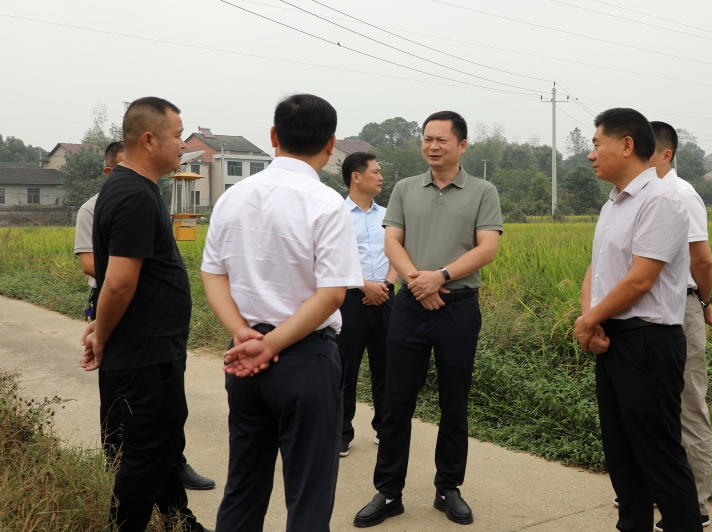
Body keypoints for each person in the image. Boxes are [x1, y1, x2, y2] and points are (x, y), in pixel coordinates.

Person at [201, 93, 363, 532]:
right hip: (305, 360)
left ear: (273, 136)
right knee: (308, 496)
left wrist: (243, 334)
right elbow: (331, 295)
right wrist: (269, 345)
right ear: (331, 144)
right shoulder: (327, 203)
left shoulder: (232, 198)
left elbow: (212, 274)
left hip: (245, 359)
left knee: (243, 485)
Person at [354, 111, 503, 528]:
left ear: (462, 145)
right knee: (396, 400)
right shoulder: (405, 188)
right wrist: (419, 282)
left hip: (458, 305)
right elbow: (392, 241)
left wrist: (441, 276)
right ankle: (388, 491)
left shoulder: (482, 191)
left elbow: (487, 247)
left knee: (454, 399)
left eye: (441, 139)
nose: (432, 146)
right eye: (427, 138)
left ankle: (448, 487)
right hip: (410, 307)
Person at [80, 97, 212, 532]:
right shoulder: (134, 194)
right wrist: (101, 335)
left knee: (162, 442)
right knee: (147, 453)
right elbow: (118, 283)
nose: (183, 145)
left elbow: (118, 276)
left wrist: (101, 325)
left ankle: (179, 521)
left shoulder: (131, 188)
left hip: (151, 347)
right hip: (146, 351)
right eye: (177, 136)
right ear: (150, 139)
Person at [573, 107, 701, 532]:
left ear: (627, 145)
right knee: (622, 456)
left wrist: (589, 321)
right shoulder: (614, 203)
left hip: (648, 342)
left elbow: (640, 279)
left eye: (597, 144)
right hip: (613, 338)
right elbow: (597, 268)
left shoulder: (661, 199)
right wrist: (590, 319)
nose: (591, 154)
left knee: (659, 456)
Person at [650, 121, 712, 531]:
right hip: (651, 308)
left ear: (666, 154)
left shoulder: (682, 194)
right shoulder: (642, 195)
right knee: (656, 403)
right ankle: (665, 491)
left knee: (689, 403)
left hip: (683, 305)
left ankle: (696, 503)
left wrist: (704, 304)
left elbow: (702, 261)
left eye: (645, 152)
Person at [338, 151, 397, 458]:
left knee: (387, 367)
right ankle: (341, 433)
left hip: (386, 297)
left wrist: (386, 285)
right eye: (376, 171)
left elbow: (399, 252)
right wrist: (364, 285)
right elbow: (332, 258)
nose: (381, 177)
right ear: (356, 177)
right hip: (351, 298)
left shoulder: (388, 215)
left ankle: (385, 430)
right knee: (344, 368)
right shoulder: (336, 214)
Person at [74, 141, 125, 460]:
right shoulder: (91, 209)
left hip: (143, 297)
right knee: (115, 380)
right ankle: (115, 456)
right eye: (123, 168)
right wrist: (129, 274)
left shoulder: (145, 201)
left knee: (160, 384)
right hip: (110, 294)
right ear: (108, 172)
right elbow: (88, 264)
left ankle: (175, 460)